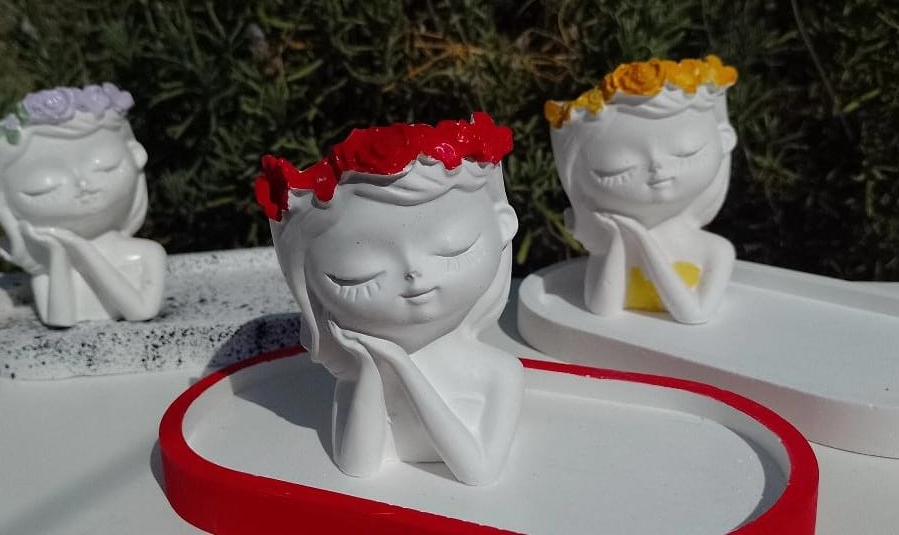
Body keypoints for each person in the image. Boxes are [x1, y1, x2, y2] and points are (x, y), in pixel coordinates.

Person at [256, 113, 522, 485]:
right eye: (359, 277)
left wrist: (402, 364)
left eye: (453, 250)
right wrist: (367, 371)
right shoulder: (358, 370)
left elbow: (479, 471)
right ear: (308, 281)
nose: (413, 273)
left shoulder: (501, 372)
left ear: (503, 227)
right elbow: (358, 466)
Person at [546, 57, 738, 324]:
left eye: (686, 153)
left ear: (724, 140)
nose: (658, 167)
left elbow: (694, 314)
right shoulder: (608, 247)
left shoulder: (717, 251)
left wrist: (641, 237)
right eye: (617, 170)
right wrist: (617, 242)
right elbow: (602, 308)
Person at [0, 84, 165, 327]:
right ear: (3, 203)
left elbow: (141, 311)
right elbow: (60, 321)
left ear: (136, 155)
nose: (83, 185)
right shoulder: (46, 271)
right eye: (43, 187)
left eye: (106, 167)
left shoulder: (147, 253)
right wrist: (58, 255)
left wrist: (81, 247)